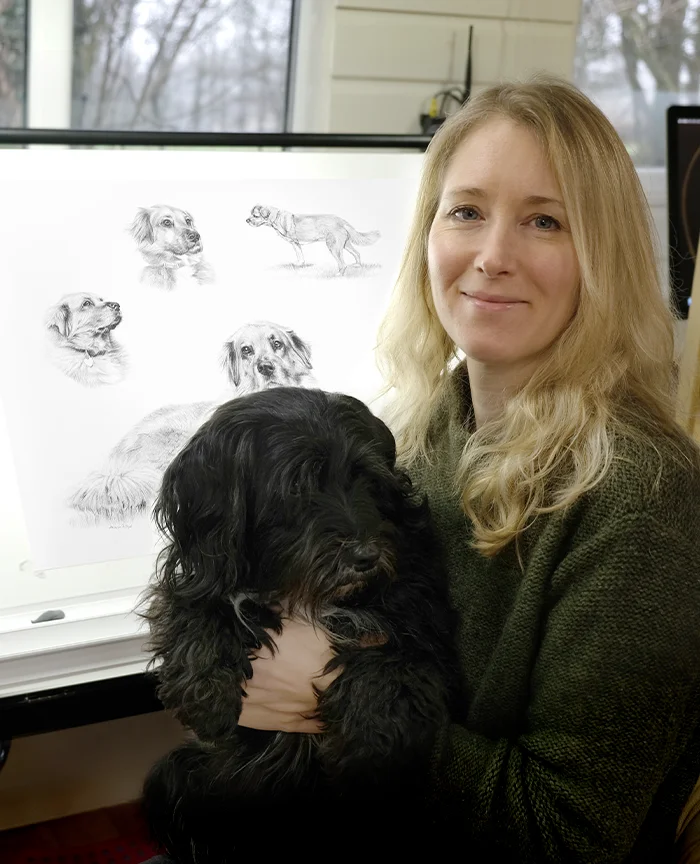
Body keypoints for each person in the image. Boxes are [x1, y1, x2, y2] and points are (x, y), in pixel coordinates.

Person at [238, 73, 700, 861]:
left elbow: (569, 831)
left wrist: (337, 698)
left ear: (604, 256)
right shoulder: (414, 435)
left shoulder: (642, 498)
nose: (491, 257)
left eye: (545, 221)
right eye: (467, 212)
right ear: (428, 234)